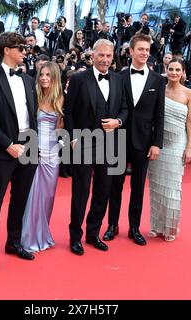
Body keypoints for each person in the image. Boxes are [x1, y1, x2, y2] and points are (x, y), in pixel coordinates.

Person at [0, 32, 39, 272]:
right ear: (6, 50)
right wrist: (8, 145)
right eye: (20, 48)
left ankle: (13, 242)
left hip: (29, 144)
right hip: (4, 149)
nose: (25, 52)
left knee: (20, 199)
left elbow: (31, 115)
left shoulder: (27, 80)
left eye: (25, 48)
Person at [65, 39, 128, 255]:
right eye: (101, 55)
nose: (105, 59)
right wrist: (72, 139)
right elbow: (69, 111)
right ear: (92, 55)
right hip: (83, 140)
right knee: (80, 192)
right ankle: (75, 237)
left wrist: (117, 122)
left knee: (103, 191)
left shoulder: (119, 80)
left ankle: (93, 233)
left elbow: (125, 109)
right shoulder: (79, 79)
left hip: (111, 143)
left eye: (109, 56)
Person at [105, 34, 165, 245]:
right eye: (140, 49)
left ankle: (134, 227)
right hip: (118, 140)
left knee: (138, 187)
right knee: (115, 185)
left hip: (144, 141)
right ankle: (112, 225)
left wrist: (157, 143)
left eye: (147, 50)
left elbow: (160, 114)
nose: (144, 53)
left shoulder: (158, 80)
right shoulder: (118, 77)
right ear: (130, 51)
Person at [148, 58, 191, 242]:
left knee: (173, 187)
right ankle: (156, 226)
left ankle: (170, 228)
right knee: (157, 187)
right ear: (165, 70)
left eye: (178, 69)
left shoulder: (189, 93)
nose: (174, 73)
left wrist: (189, 146)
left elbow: (190, 121)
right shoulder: (160, 90)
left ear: (183, 72)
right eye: (171, 69)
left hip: (177, 143)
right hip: (159, 143)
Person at [21, 62, 64, 252]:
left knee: (47, 196)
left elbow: (62, 130)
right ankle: (28, 237)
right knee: (30, 195)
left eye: (48, 75)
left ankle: (42, 234)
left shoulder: (62, 99)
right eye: (42, 75)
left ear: (55, 78)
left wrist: (59, 147)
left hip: (52, 155)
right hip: (34, 151)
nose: (44, 78)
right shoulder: (34, 97)